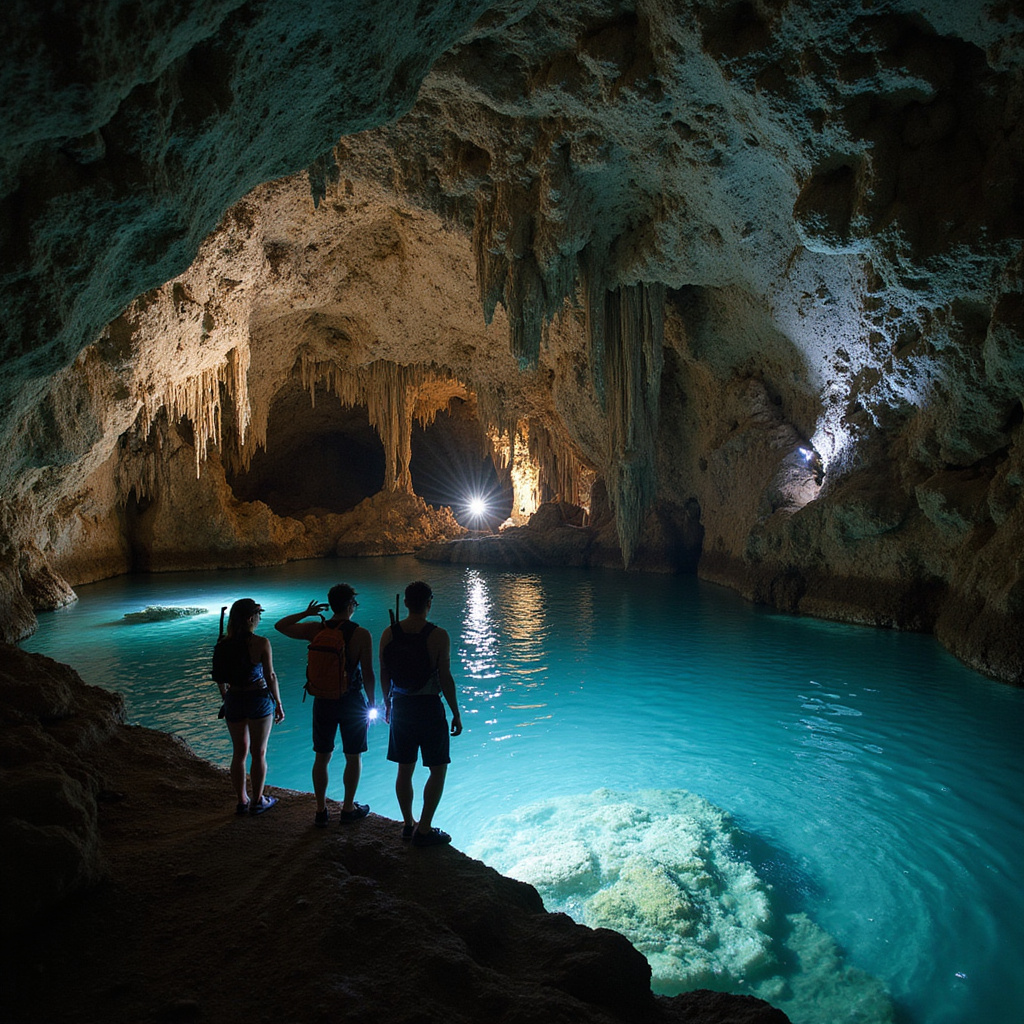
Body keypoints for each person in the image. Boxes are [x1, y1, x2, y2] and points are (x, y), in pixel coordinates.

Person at [274, 584, 376, 827]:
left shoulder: (316, 629)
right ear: (351, 605)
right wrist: (372, 704)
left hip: (322, 700)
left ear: (330, 605)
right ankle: (348, 808)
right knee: (353, 756)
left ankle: (321, 811)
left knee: (322, 756)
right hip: (351, 702)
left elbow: (280, 626)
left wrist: (306, 613)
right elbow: (369, 673)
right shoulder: (361, 634)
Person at [379, 580, 462, 847]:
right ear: (429, 603)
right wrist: (456, 713)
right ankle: (424, 830)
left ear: (405, 603)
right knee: (437, 771)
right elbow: (445, 678)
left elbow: (385, 673)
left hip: (401, 706)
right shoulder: (439, 636)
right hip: (428, 707)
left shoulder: (388, 634)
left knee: (405, 769)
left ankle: (408, 824)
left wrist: (388, 704)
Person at [215, 598, 285, 816]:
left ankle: (241, 800)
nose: (259, 618)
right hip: (258, 699)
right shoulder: (261, 642)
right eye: (257, 615)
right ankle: (257, 800)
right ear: (249, 618)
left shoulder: (223, 644)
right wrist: (279, 703)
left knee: (239, 752)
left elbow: (219, 676)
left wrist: (225, 695)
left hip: (234, 698)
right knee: (259, 752)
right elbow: (270, 675)